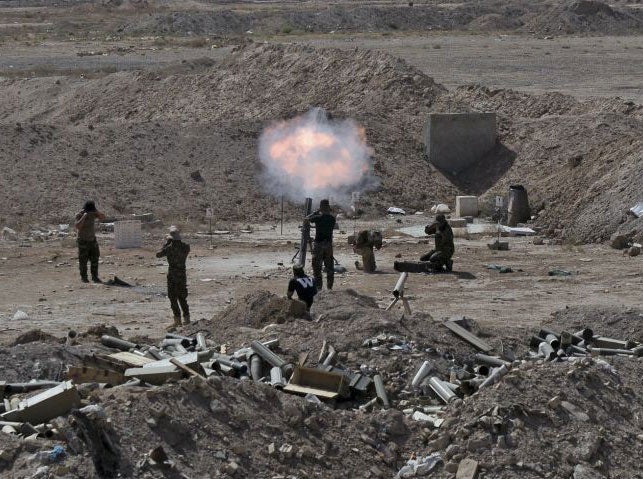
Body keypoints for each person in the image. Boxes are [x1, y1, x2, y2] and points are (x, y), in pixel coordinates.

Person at [156, 226, 191, 331]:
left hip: (172, 275)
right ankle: (187, 319)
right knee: (182, 297)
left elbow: (158, 254)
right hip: (182, 275)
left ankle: (177, 320)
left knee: (173, 298)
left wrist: (166, 243)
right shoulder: (186, 247)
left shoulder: (169, 248)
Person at [305, 199, 336, 290]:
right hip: (328, 245)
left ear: (321, 208)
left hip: (318, 244)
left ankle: (319, 288)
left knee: (317, 268)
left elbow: (306, 219)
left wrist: (315, 212)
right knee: (329, 267)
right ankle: (329, 288)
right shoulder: (332, 219)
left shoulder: (318, 218)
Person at [74, 200, 106, 283]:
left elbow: (103, 217)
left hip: (92, 240)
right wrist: (84, 216)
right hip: (83, 241)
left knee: (95, 258)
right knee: (83, 261)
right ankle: (84, 278)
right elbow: (78, 227)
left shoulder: (93, 214)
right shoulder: (79, 215)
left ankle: (95, 277)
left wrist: (96, 211)